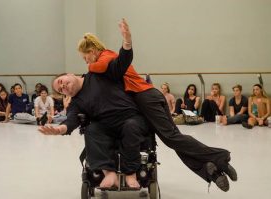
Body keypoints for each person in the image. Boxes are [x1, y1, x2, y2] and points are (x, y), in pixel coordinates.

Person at [76, 19, 237, 192]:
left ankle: (221, 156)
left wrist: (91, 68)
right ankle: (211, 170)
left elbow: (100, 66)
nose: (87, 63)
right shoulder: (107, 58)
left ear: (92, 51)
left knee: (172, 137)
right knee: (172, 139)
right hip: (148, 97)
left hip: (146, 97)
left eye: (86, 58)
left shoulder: (106, 56)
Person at [39, 20, 148, 189]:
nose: (62, 86)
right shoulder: (76, 102)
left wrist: (126, 42)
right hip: (105, 125)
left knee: (131, 126)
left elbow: (121, 63)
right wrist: (60, 129)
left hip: (129, 118)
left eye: (61, 81)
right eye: (60, 90)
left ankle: (131, 174)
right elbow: (71, 120)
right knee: (91, 130)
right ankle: (108, 174)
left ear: (69, 74)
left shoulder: (98, 72)